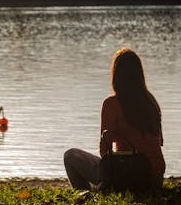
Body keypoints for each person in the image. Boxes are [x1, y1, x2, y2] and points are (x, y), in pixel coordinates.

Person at [64, 48, 165, 190]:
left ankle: (85, 193)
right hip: (155, 179)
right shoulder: (151, 102)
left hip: (129, 176)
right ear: (140, 74)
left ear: (116, 74)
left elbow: (104, 150)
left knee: (70, 155)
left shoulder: (112, 104)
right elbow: (160, 142)